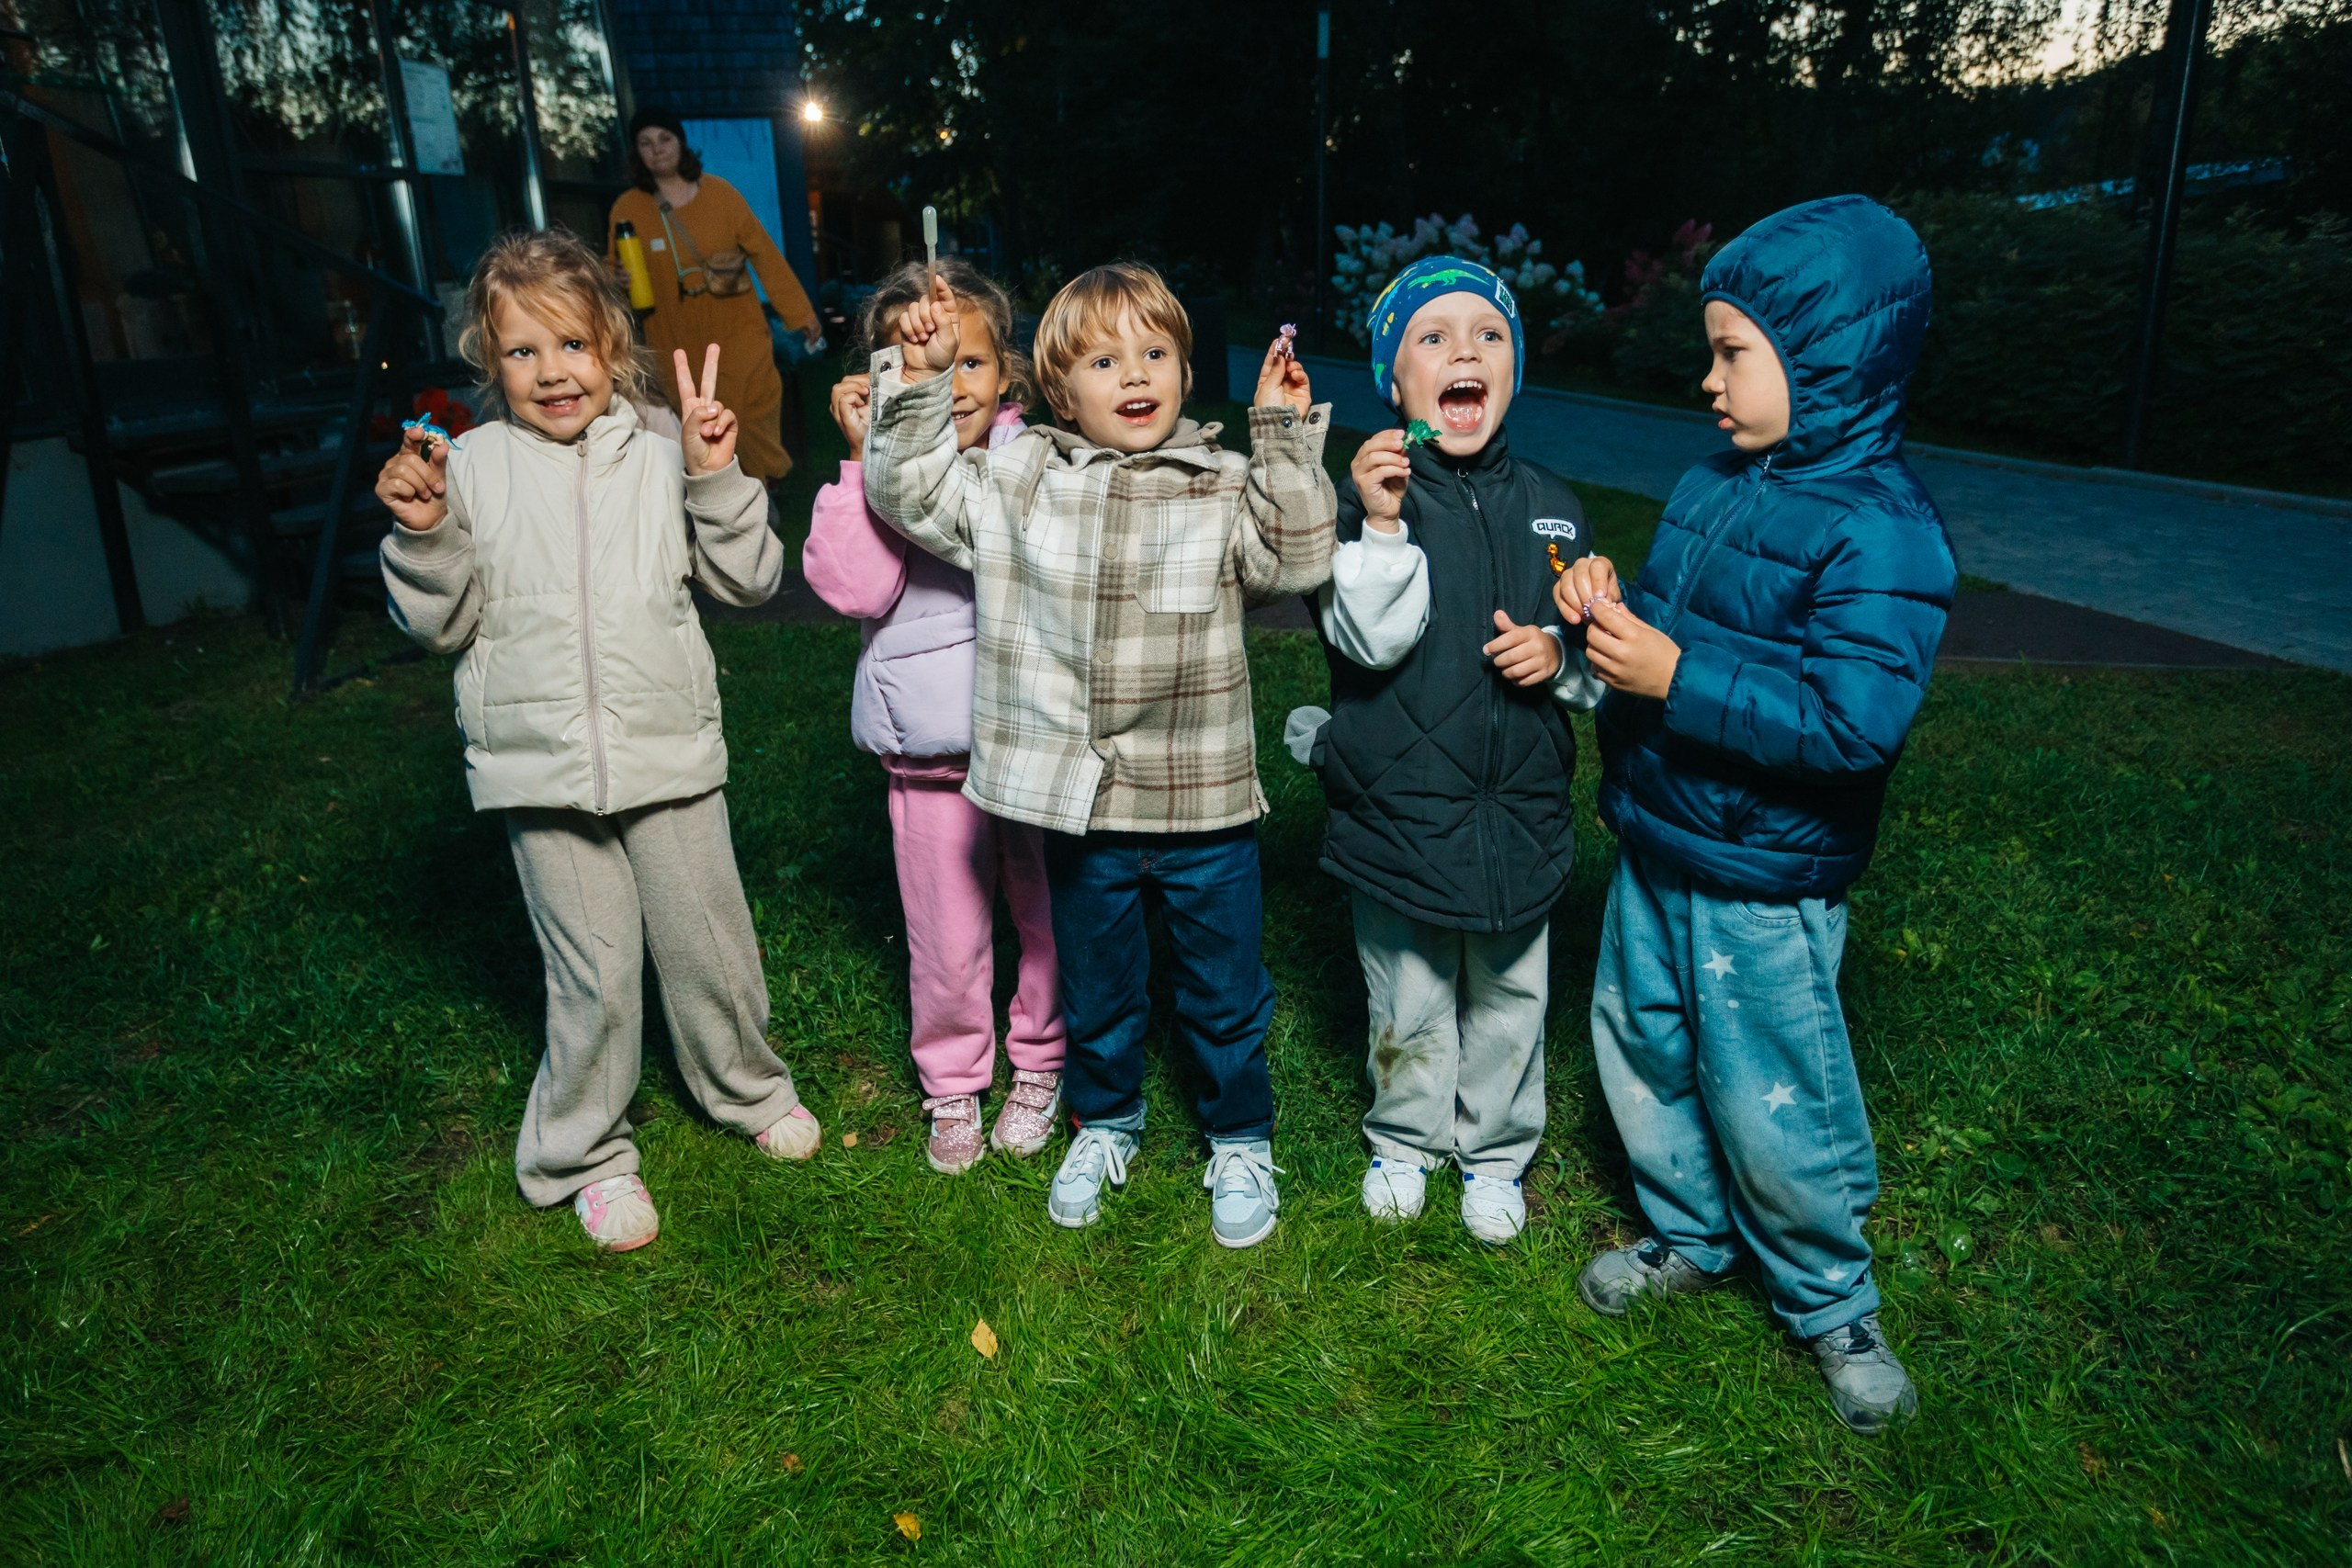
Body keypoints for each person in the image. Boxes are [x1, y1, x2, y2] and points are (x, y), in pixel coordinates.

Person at [1555, 196, 1953, 1433]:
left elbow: (1848, 726)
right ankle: (1690, 1231)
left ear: (1827, 355)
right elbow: (1669, 634)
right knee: (1646, 1046)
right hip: (1660, 838)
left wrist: (1674, 675)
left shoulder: (1880, 532)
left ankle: (1833, 1298)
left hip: (1765, 880)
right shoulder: (1710, 483)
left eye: (1733, 353)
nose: (1710, 378)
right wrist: (1606, 607)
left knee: (1772, 1089)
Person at [862, 263, 1337, 1248]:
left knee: (1224, 993)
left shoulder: (1223, 482)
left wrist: (1282, 436)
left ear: (1185, 372)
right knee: (1099, 988)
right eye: (1105, 361)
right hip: (1082, 809)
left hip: (1203, 801)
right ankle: (1106, 1119)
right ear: (1058, 392)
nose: (1136, 374)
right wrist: (922, 377)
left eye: (1155, 353)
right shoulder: (1017, 480)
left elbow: (1297, 558)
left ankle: (1240, 1137)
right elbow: (907, 491)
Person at [374, 228, 820, 1254]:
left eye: (571, 344)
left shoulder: (663, 453)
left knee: (710, 945)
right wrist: (425, 533)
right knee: (597, 974)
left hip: (668, 751)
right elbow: (439, 623)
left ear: (612, 344)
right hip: (541, 772)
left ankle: (748, 1089)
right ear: (489, 361)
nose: (551, 372)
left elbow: (750, 580)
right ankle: (583, 1154)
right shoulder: (469, 469)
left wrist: (715, 477)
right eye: (521, 351)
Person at [1294, 256, 1603, 1246]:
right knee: (1409, 992)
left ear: (1514, 370)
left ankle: (1496, 1153)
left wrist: (1558, 651)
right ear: (1395, 382)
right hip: (1399, 803)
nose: (1464, 350)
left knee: (1513, 995)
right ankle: (1406, 1139)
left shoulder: (1555, 504)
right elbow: (1368, 642)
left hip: (1518, 808)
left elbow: (1595, 661)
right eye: (1433, 337)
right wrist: (1383, 525)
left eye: (1489, 335)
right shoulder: (1363, 500)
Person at [801, 259, 1065, 1176]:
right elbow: (857, 588)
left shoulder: (1036, 464)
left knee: (1049, 917)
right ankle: (953, 1084)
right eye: (921, 365)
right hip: (929, 761)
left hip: (1031, 747)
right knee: (945, 941)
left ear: (1007, 375)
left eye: (969, 362)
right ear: (882, 378)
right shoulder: (880, 471)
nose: (950, 385)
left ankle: (1042, 1061)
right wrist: (859, 465)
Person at [607, 107, 820, 486]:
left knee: (750, 410)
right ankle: (721, 494)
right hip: (673, 336)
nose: (657, 149)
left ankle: (760, 487)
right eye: (645, 143)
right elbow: (611, 270)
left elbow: (765, 255)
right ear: (636, 152)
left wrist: (800, 314)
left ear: (681, 143)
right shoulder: (627, 208)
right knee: (699, 420)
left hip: (736, 328)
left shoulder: (721, 195)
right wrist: (617, 276)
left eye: (665, 139)